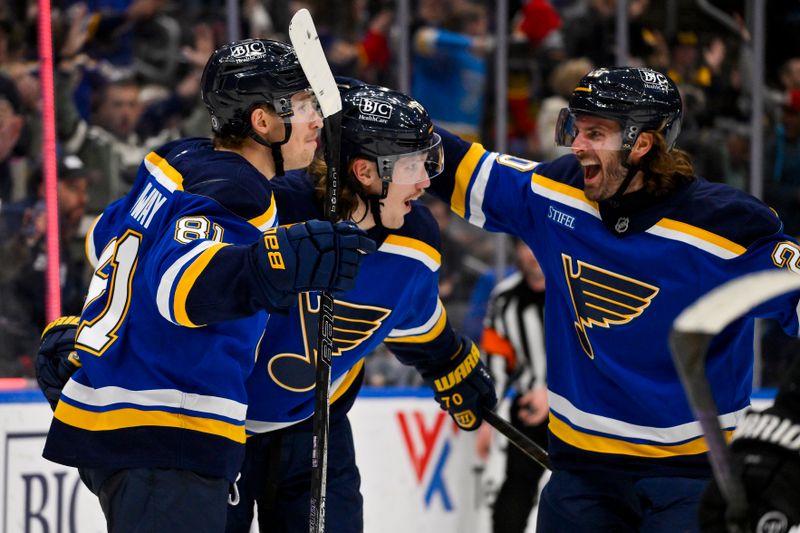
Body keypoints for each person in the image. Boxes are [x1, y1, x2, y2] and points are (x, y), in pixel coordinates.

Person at [427, 66, 800, 531]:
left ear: (642, 144)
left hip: (696, 480)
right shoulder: (556, 194)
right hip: (583, 477)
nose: (576, 145)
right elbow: (453, 165)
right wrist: (361, 107)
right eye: (575, 128)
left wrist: (790, 421)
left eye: (594, 133)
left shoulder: (728, 229)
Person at [38, 38, 374, 533]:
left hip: (128, 426)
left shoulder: (179, 162)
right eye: (304, 106)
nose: (316, 121)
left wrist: (106, 336)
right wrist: (273, 267)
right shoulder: (240, 190)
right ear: (262, 122)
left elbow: (106, 239)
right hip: (165, 431)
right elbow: (182, 288)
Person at [224, 83, 498, 533]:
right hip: (220, 429)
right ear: (365, 172)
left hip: (317, 431)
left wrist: (450, 362)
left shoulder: (416, 240)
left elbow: (414, 322)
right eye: (413, 165)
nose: (427, 181)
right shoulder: (267, 207)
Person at [475, 239, 549, 533]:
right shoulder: (505, 298)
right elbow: (495, 364)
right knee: (516, 487)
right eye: (525, 245)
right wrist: (485, 420)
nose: (532, 253)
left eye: (536, 244)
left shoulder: (574, 291)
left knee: (585, 492)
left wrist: (552, 391)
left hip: (581, 408)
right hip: (529, 408)